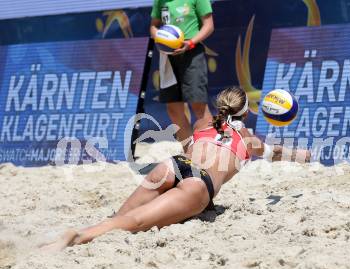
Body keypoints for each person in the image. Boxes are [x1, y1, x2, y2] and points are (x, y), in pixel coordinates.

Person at [40, 87, 310, 251]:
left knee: (119, 218)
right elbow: (277, 154)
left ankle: (84, 233)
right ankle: (76, 236)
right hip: (197, 185)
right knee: (132, 224)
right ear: (246, 112)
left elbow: (185, 140)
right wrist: (303, 155)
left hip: (172, 165)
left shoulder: (202, 126)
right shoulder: (250, 139)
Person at [150, 0, 215, 151]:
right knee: (173, 108)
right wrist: (159, 38)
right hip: (167, 56)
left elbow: (209, 25)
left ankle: (211, 151)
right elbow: (154, 25)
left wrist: (190, 43)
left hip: (191, 53)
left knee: (198, 105)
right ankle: (189, 153)